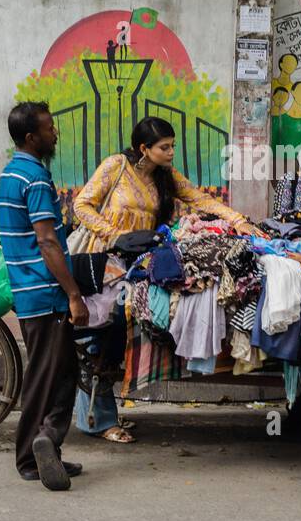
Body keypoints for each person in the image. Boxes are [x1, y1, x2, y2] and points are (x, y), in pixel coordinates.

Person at [73, 116, 261, 442]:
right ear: (144, 148)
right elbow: (82, 205)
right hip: (105, 259)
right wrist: (114, 235)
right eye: (165, 147)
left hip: (140, 262)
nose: (172, 151)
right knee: (105, 332)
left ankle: (94, 412)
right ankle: (98, 419)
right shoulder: (116, 166)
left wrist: (238, 220)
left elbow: (200, 199)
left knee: (124, 330)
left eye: (173, 145)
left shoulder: (165, 176)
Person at [0, 102, 89, 490]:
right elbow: (48, 241)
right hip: (45, 292)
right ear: (32, 137)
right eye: (50, 129)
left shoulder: (10, 173)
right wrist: (73, 294)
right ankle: (34, 453)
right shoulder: (34, 177)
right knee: (46, 377)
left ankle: (49, 446)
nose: (55, 134)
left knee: (63, 372)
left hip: (27, 288)